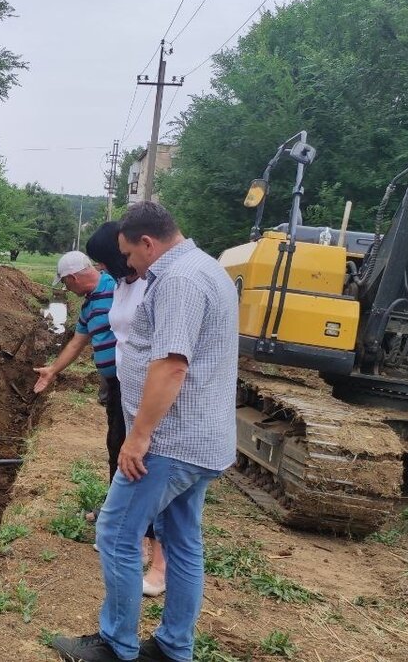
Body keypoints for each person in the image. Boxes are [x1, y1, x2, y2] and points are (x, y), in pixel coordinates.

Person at [53, 202, 238, 662]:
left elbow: (172, 365)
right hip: (199, 440)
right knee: (182, 542)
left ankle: (116, 647)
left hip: (168, 444)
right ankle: (174, 647)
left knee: (116, 532)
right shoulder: (204, 267)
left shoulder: (179, 281)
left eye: (128, 254)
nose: (126, 265)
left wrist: (138, 437)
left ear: (148, 243)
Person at [84, 222, 167, 598]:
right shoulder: (122, 284)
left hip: (149, 399)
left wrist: (143, 430)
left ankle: (157, 565)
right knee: (118, 452)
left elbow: (171, 362)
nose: (110, 268)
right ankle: (129, 540)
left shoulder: (158, 284)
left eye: (115, 258)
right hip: (124, 392)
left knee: (153, 477)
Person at [33, 250, 117, 402]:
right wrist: (52, 370)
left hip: (134, 381)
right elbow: (75, 344)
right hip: (112, 385)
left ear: (73, 278)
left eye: (64, 282)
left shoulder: (117, 287)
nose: (66, 288)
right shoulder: (87, 307)